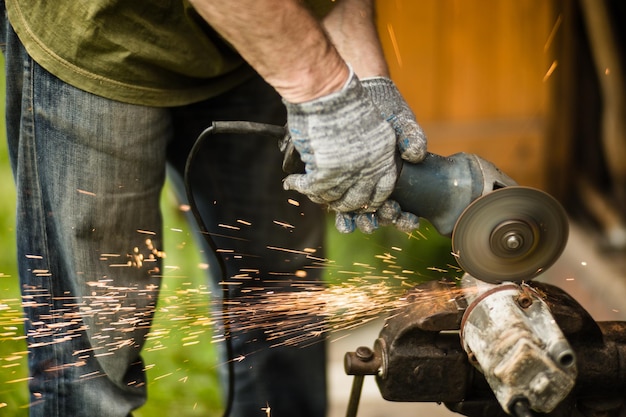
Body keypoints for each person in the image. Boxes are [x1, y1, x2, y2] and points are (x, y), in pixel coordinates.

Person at [0, 0, 427, 416]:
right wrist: (327, 93)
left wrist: (368, 83)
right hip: (100, 37)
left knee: (280, 289)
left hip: (266, 40)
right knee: (95, 333)